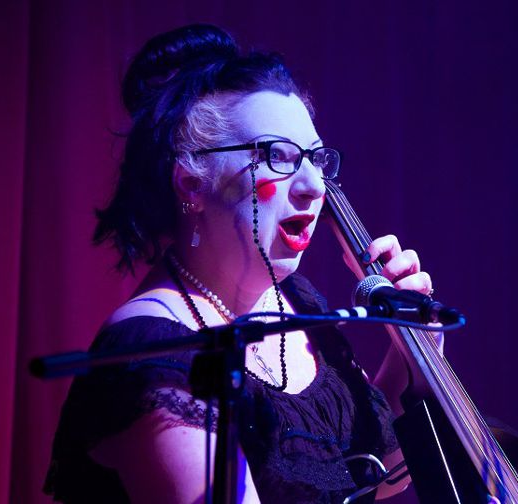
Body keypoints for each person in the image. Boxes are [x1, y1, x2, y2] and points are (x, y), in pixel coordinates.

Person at [44, 24, 434, 503]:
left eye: (315, 159)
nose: (315, 186)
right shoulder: (153, 350)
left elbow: (378, 476)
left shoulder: (296, 303)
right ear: (191, 183)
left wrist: (416, 350)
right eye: (277, 157)